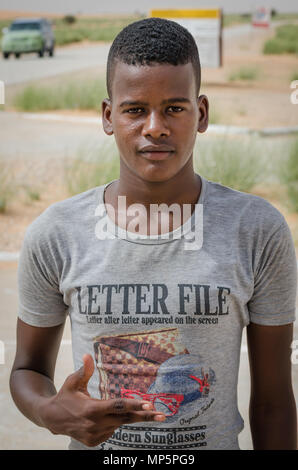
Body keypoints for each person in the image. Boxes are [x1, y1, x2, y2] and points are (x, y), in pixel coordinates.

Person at [10, 17, 297, 451]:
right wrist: (50, 412)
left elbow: (274, 401)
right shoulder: (56, 233)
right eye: (135, 109)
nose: (155, 127)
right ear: (109, 117)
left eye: (174, 108)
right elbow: (26, 370)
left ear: (200, 114)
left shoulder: (257, 230)